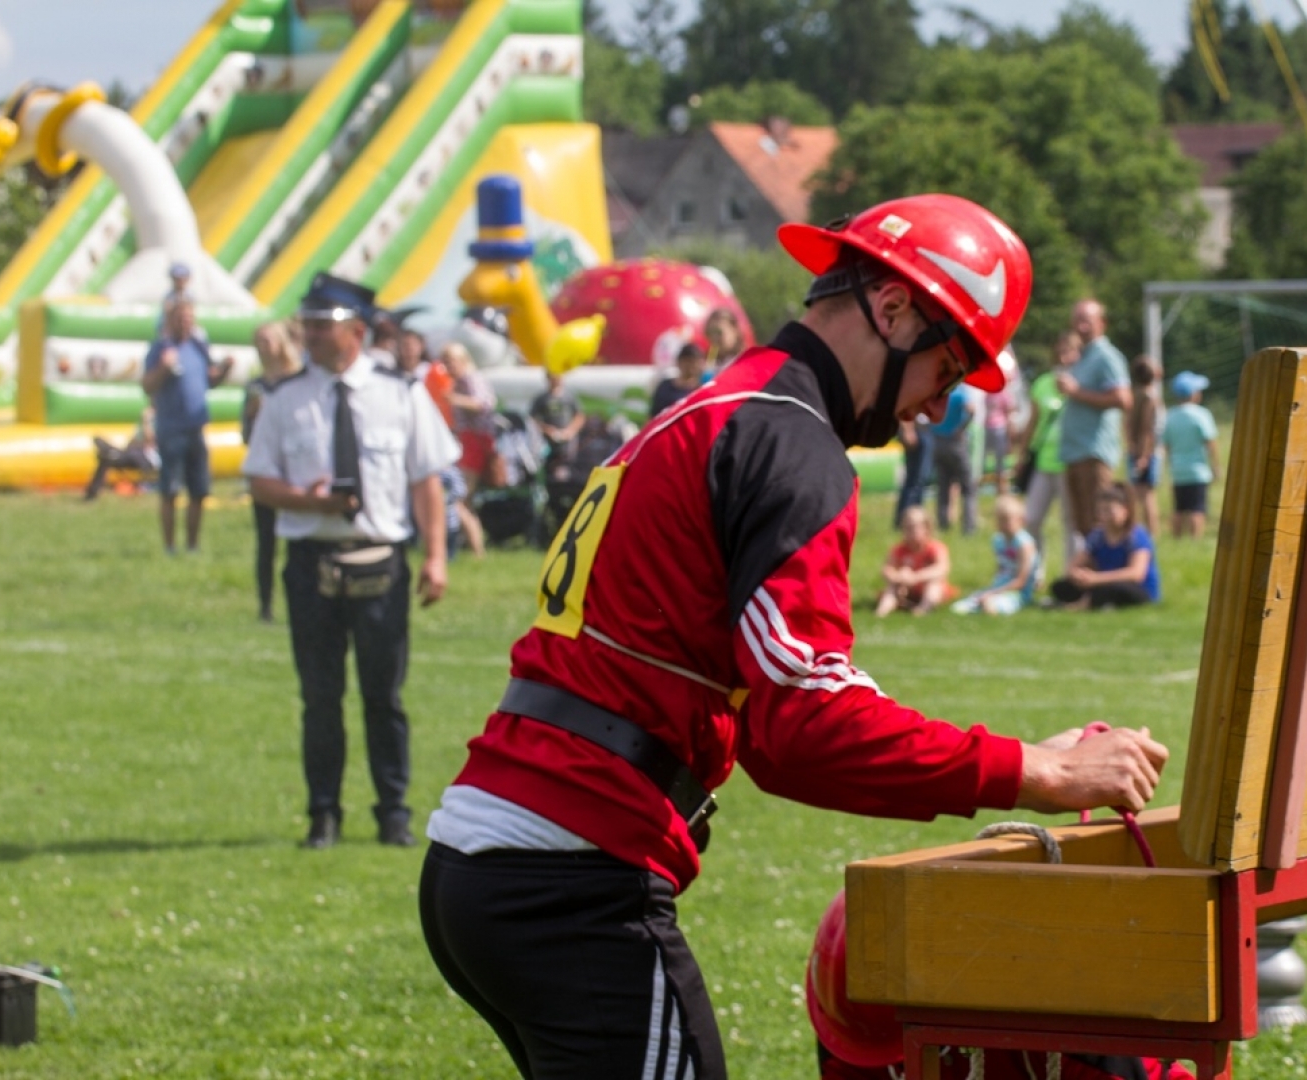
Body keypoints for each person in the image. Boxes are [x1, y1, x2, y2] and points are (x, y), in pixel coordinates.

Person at [417, 193, 1169, 1080]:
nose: (941, 405)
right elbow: (805, 723)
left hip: (498, 858)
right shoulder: (789, 441)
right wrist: (1037, 770)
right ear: (893, 310)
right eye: (950, 363)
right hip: (570, 878)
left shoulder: (728, 403)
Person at [242, 272, 459, 850]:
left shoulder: (400, 391)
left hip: (380, 561)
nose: (309, 334)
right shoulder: (284, 399)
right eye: (307, 325)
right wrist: (305, 501)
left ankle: (394, 813)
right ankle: (323, 816)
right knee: (320, 697)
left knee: (383, 695)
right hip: (312, 560)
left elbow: (426, 481)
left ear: (356, 332)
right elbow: (259, 481)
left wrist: (436, 557)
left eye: (322, 325)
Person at [141, 295, 231, 555]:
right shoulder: (160, 349)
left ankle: (192, 546)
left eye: (189, 318)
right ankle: (170, 546)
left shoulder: (199, 346)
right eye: (180, 318)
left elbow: (209, 380)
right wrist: (163, 368)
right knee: (170, 491)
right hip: (171, 431)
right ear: (170, 320)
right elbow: (147, 386)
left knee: (199, 491)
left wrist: (223, 370)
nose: (185, 322)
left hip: (196, 429)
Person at [1057, 299, 1131, 554]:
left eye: (1086, 319)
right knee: (1083, 526)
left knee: (1099, 523)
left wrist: (1076, 392)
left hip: (1094, 452)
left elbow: (1122, 399)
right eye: (1077, 318)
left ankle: (1103, 584)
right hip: (1075, 452)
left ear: (1102, 323)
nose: (1080, 325)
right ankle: (1087, 586)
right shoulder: (1083, 356)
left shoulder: (1106, 356)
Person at [243, 321, 305, 622]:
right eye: (259, 341)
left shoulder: (297, 382)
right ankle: (265, 606)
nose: (264, 347)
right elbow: (245, 436)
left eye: (268, 340)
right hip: (268, 471)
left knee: (301, 541)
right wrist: (253, 417)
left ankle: (303, 601)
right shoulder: (255, 386)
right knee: (266, 542)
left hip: (296, 469)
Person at [1019, 330, 1079, 577]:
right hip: (1044, 461)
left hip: (1070, 462)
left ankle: (1070, 574)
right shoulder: (1043, 383)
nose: (1065, 358)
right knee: (1031, 518)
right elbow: (1033, 422)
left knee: (1070, 522)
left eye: (1070, 352)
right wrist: (1022, 454)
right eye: (1061, 352)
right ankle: (1034, 572)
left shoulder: (1082, 383)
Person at [1050, 483, 1161, 611]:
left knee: (1110, 589)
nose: (1104, 516)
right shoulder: (1097, 536)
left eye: (1108, 511)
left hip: (1135, 588)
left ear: (1125, 511)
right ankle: (1095, 603)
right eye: (1100, 511)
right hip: (1101, 582)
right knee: (1061, 586)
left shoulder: (1137, 536)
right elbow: (1076, 562)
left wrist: (1096, 578)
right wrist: (1078, 574)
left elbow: (1136, 573)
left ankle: (1080, 605)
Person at [440, 341, 496, 557]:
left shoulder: (469, 380)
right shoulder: (460, 381)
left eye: (450, 362)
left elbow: (484, 403)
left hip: (474, 442)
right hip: (469, 441)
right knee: (465, 500)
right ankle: (473, 547)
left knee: (458, 499)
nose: (447, 367)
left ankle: (476, 550)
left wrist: (455, 399)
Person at [951, 494, 1040, 616]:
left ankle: (990, 609)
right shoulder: (998, 540)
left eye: (1007, 520)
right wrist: (992, 589)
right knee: (959, 608)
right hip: (999, 588)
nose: (1003, 524)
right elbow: (1001, 568)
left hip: (1017, 593)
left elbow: (1020, 581)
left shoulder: (1024, 544)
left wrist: (994, 593)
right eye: (1000, 520)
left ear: (1020, 520)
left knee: (989, 604)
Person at [1162, 371, 1220, 540]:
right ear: (1193, 393)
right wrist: (1216, 466)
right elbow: (1210, 442)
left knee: (1179, 508)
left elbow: (1167, 444)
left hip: (1178, 470)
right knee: (1197, 508)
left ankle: (1177, 539)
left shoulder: (1170, 415)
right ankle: (1196, 540)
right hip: (1198, 471)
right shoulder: (1201, 414)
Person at [875, 506, 951, 617]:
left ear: (927, 528)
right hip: (906, 589)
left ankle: (923, 609)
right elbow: (886, 570)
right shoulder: (899, 549)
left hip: (926, 587)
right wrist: (898, 576)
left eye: (914, 528)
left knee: (933, 585)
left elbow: (941, 569)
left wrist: (916, 577)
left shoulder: (935, 548)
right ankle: (882, 611)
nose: (911, 532)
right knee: (892, 587)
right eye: (907, 528)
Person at [930, 381, 979, 536]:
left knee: (943, 484)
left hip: (937, 441)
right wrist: (962, 428)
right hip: (955, 442)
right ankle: (969, 526)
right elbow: (971, 410)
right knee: (968, 488)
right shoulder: (960, 392)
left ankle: (943, 523)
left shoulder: (938, 390)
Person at [1126, 354, 1164, 539]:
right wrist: (1144, 456)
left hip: (1137, 451)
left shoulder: (1136, 395)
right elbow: (1147, 429)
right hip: (1147, 452)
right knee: (1147, 495)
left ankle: (1143, 533)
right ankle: (1151, 535)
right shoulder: (1149, 396)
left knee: (1139, 493)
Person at [84, 407, 159, 500]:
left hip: (150, 458)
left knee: (115, 455)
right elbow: (133, 441)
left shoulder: (161, 419)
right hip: (134, 453)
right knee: (107, 458)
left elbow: (151, 440)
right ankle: (92, 492)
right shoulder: (147, 421)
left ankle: (112, 452)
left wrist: (146, 421)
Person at [529, 368, 584, 463]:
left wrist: (570, 431)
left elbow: (579, 416)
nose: (557, 380)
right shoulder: (541, 398)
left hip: (568, 446)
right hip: (548, 445)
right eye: (553, 377)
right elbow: (532, 420)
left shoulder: (569, 397)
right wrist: (548, 430)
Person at [892, 417, 933, 528]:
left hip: (922, 431)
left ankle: (912, 520)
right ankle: (909, 521)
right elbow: (906, 409)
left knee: (918, 480)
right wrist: (907, 430)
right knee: (916, 481)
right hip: (917, 431)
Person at [650, 342, 709, 417]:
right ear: (678, 362)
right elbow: (653, 416)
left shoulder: (703, 391)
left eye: (695, 361)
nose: (691, 365)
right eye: (687, 360)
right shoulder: (664, 387)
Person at [982, 375, 1016, 494]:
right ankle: (999, 491)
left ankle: (1002, 492)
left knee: (999, 464)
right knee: (994, 464)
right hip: (992, 428)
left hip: (996, 428)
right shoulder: (992, 394)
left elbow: (1010, 416)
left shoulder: (999, 394)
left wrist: (1009, 438)